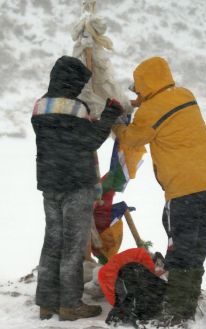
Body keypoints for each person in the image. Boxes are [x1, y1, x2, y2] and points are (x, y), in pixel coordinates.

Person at [114, 56, 206, 326]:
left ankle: (174, 313)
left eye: (137, 89)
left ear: (144, 84)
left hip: (183, 189)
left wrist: (116, 123)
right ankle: (186, 301)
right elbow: (161, 106)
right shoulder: (185, 95)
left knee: (180, 250)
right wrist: (141, 103)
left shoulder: (149, 112)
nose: (137, 94)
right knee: (197, 248)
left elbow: (132, 138)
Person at [31, 55, 124, 321]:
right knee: (73, 244)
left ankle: (46, 302)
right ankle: (71, 305)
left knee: (52, 241)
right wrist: (110, 113)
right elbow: (91, 140)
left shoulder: (40, 106)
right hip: (76, 184)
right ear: (72, 81)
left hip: (50, 183)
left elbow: (62, 138)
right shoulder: (75, 107)